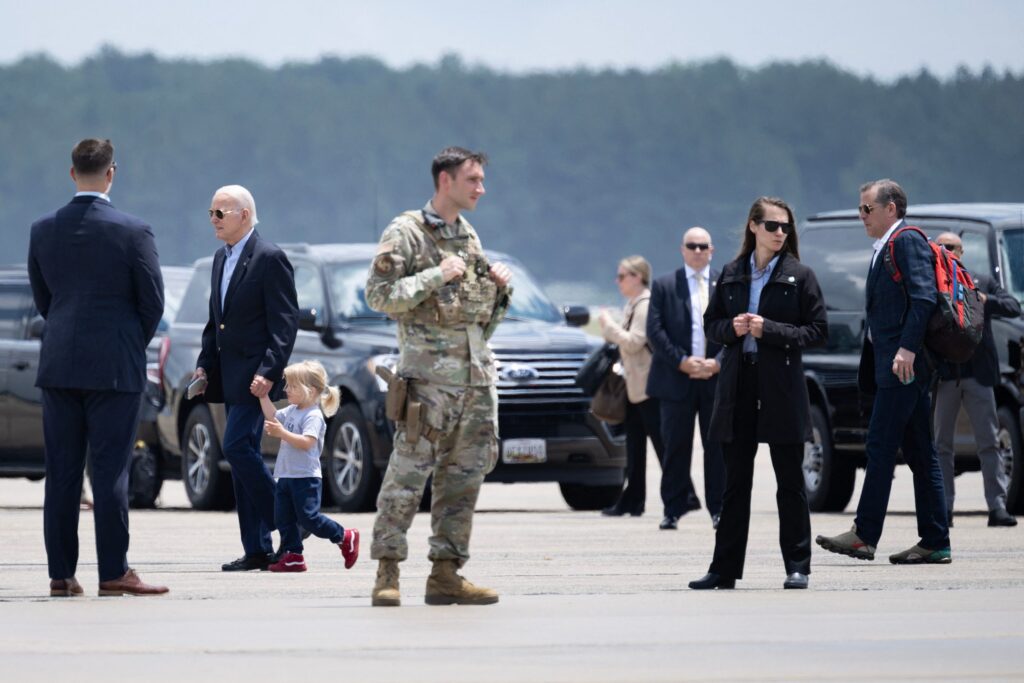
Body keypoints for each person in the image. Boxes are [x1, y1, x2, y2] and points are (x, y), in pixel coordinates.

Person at [366, 146, 512, 607]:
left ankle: (446, 574)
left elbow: (478, 321)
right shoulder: (405, 232)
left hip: (474, 380)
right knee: (407, 476)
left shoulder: (468, 236)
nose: (481, 189)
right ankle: (387, 573)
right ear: (446, 181)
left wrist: (501, 292)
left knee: (463, 478)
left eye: (482, 180)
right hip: (428, 384)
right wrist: (433, 276)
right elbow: (378, 295)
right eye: (473, 180)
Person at [28, 138, 168, 596]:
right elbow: (152, 303)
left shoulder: (43, 229)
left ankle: (61, 575)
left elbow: (44, 300)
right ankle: (113, 571)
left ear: (73, 173)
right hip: (114, 367)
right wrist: (127, 342)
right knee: (109, 472)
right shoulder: (134, 231)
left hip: (60, 363)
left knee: (63, 473)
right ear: (112, 173)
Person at [688, 197, 827, 591]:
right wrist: (731, 329)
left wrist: (771, 330)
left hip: (782, 385)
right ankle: (724, 569)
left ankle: (797, 565)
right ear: (753, 226)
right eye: (771, 225)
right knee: (735, 483)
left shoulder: (801, 275)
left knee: (790, 482)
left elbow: (818, 331)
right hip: (738, 384)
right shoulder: (731, 273)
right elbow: (711, 324)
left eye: (785, 227)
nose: (779, 232)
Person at [817, 179, 952, 565]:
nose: (862, 216)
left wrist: (907, 348)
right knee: (920, 453)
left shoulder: (905, 240)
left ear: (890, 208)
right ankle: (935, 540)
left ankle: (864, 534)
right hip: (897, 364)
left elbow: (924, 296)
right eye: (861, 209)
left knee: (879, 445)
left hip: (903, 366)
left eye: (867, 209)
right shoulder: (888, 244)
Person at [191, 184, 299, 572]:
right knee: (241, 457)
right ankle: (257, 548)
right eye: (211, 213)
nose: (214, 220)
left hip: (257, 379)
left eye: (222, 212)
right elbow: (214, 320)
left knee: (236, 446)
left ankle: (288, 526)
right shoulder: (221, 258)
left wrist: (269, 372)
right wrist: (205, 364)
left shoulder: (270, 258)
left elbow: (285, 325)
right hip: (231, 377)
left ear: (245, 215)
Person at [932, 232, 1019, 528]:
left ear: (962, 251)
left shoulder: (980, 280)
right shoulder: (932, 283)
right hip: (946, 375)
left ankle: (997, 507)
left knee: (989, 442)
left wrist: (984, 299)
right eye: (941, 247)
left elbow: (1013, 306)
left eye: (952, 247)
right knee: (942, 444)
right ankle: (944, 508)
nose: (947, 251)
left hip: (979, 373)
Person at [646, 227, 726, 530]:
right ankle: (673, 508)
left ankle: (718, 508)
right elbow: (655, 331)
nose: (697, 251)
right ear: (682, 249)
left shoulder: (725, 284)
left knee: (716, 447)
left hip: (713, 377)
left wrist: (717, 363)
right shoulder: (665, 285)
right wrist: (681, 361)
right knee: (675, 446)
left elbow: (733, 329)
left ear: (711, 250)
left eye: (702, 246)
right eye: (691, 246)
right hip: (676, 378)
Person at [258, 360, 360, 572]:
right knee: (282, 518)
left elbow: (307, 443)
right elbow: (273, 416)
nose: (286, 389)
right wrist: (262, 396)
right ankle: (294, 556)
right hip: (286, 474)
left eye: (291, 386)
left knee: (309, 518)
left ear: (310, 390)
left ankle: (344, 536)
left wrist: (282, 433)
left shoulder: (313, 415)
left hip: (306, 477)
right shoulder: (293, 409)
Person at [598, 256, 663, 517]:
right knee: (634, 446)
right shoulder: (633, 304)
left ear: (637, 277)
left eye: (623, 276)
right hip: (635, 387)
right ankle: (633, 499)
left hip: (648, 387)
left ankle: (681, 495)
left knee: (662, 446)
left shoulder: (644, 305)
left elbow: (635, 342)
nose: (618, 281)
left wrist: (609, 327)